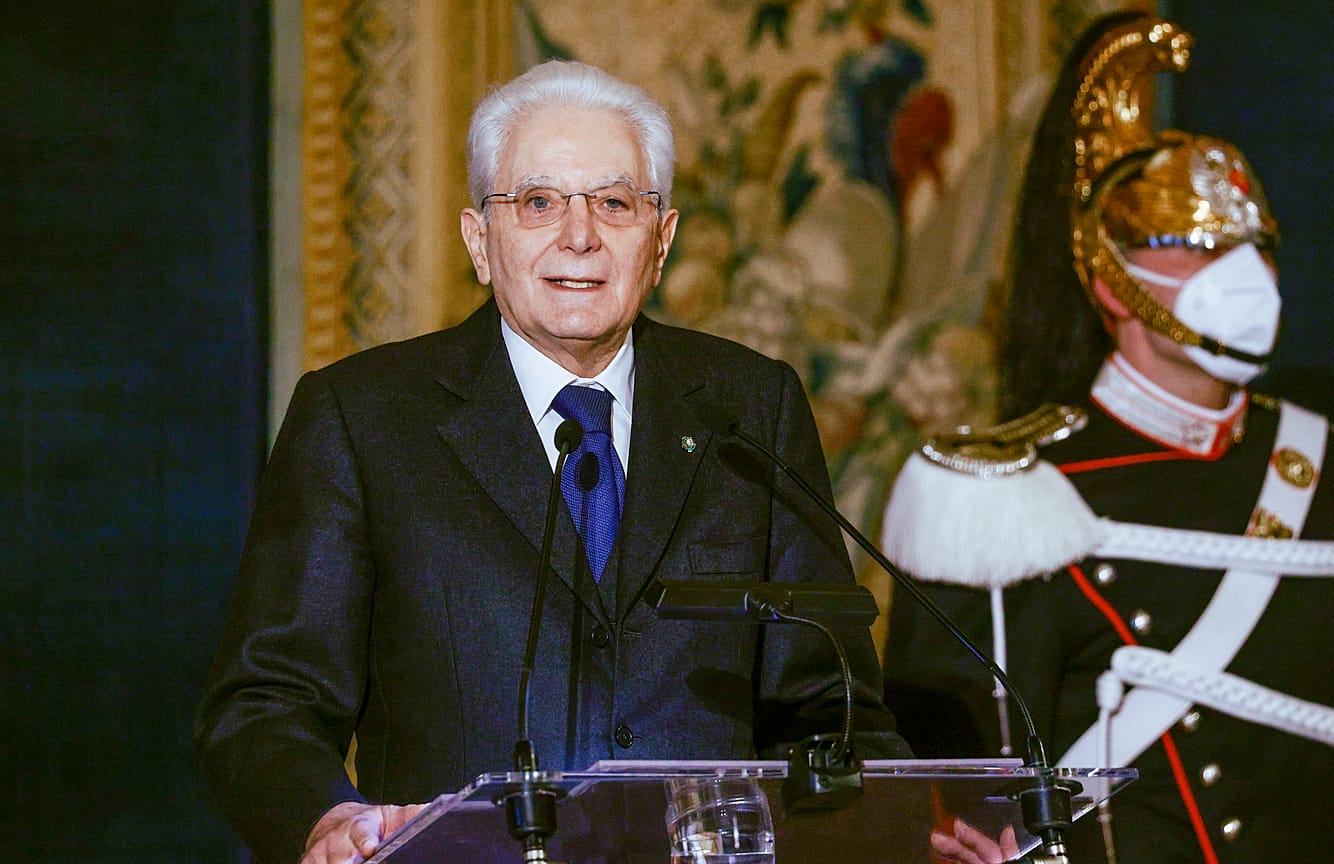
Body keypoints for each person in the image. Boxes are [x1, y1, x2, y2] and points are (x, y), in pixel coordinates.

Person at [194, 60, 906, 864]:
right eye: (538, 202)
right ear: (480, 240)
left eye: (614, 202)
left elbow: (827, 706)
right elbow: (266, 703)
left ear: (662, 240)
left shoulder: (751, 407)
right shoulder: (362, 418)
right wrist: (322, 819)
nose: (579, 235)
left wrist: (917, 820)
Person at [879, 14, 1334, 864]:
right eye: (1193, 248)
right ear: (1109, 278)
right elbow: (960, 804)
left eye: (1254, 246)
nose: (1244, 276)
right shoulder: (1006, 498)